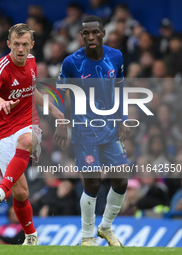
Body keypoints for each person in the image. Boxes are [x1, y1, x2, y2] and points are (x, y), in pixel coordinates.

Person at [0, 23, 63, 245]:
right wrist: (1, 102)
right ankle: (31, 235)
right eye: (16, 44)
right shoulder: (0, 68)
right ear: (9, 44)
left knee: (27, 141)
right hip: (3, 130)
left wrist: (53, 109)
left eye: (25, 44)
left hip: (28, 121)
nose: (20, 49)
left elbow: (31, 90)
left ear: (31, 45)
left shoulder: (33, 62)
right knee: (22, 193)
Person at [55, 16, 130, 246]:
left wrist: (123, 119)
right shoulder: (72, 63)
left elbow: (120, 88)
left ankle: (105, 227)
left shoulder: (115, 57)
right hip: (83, 131)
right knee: (93, 183)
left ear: (103, 33)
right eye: (85, 33)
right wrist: (60, 122)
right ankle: (87, 237)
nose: (90, 37)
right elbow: (59, 93)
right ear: (81, 35)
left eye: (94, 32)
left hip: (109, 130)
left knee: (121, 181)